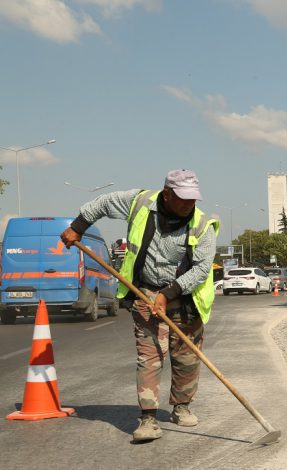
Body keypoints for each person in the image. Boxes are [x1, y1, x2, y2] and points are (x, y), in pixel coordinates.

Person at [61, 169, 219, 443]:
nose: (188, 205)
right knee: (150, 355)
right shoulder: (139, 202)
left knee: (186, 358)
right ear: (166, 194)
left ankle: (181, 407)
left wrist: (168, 294)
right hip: (145, 291)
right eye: (183, 199)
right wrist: (77, 227)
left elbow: (202, 269)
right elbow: (102, 204)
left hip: (186, 298)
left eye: (193, 199)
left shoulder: (203, 225)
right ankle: (148, 418)